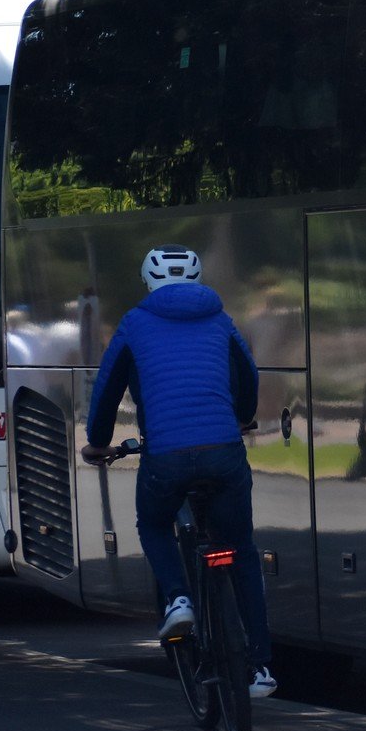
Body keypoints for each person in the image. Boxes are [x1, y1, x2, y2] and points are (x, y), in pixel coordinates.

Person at [80, 246, 276, 698]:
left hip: (165, 456)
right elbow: (247, 374)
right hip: (224, 451)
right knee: (240, 548)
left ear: (148, 283)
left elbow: (107, 388)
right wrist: (243, 417)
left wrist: (97, 440)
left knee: (152, 524)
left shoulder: (134, 323)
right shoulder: (221, 319)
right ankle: (261, 667)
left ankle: (178, 597)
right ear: (196, 279)